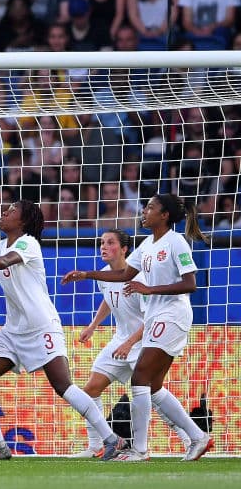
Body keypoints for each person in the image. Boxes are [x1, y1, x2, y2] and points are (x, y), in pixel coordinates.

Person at [0, 200, 127, 460]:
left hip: (42, 327)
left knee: (63, 386)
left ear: (24, 221)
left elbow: (5, 262)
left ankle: (111, 439)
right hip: (12, 331)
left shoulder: (28, 243)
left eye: (12, 211)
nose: (4, 212)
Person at [61, 194, 214, 461]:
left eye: (151, 207)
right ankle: (197, 436)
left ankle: (140, 449)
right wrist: (86, 275)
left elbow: (191, 284)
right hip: (157, 317)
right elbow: (122, 276)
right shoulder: (146, 245)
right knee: (152, 387)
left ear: (164, 215)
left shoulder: (176, 242)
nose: (145, 211)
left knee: (141, 379)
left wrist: (149, 289)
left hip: (173, 315)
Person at [70, 229, 193, 458]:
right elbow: (109, 301)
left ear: (125, 249)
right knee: (90, 390)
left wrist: (129, 343)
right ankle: (97, 445)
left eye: (110, 243)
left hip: (143, 343)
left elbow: (150, 318)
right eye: (101, 243)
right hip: (120, 341)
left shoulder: (140, 278)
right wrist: (93, 325)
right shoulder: (105, 275)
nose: (103, 247)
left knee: (154, 397)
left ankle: (188, 439)